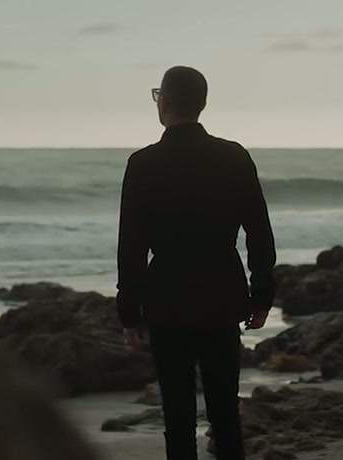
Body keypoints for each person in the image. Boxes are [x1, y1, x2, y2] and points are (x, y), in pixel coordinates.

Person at [116, 65, 277, 460]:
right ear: (202, 103)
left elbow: (131, 246)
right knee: (226, 414)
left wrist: (129, 312)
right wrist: (261, 295)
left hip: (167, 298)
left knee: (178, 417)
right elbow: (259, 231)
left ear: (164, 102)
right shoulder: (234, 156)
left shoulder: (144, 163)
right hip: (223, 293)